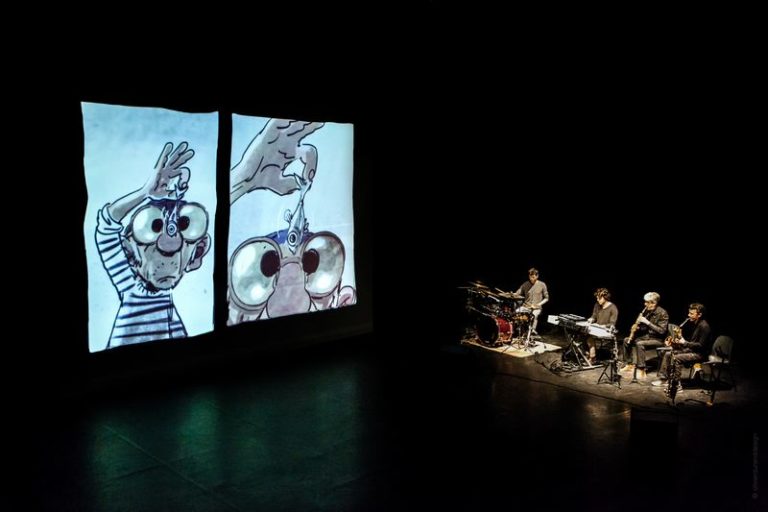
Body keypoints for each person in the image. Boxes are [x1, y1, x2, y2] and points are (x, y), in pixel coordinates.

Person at [96, 142, 211, 349]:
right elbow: (106, 226)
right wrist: (144, 193)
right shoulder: (131, 288)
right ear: (129, 253)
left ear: (197, 254)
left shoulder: (168, 307)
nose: (168, 258)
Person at [652, 303, 712, 387]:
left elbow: (701, 345)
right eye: (689, 313)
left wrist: (684, 343)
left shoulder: (704, 326)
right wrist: (677, 342)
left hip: (700, 354)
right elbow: (692, 342)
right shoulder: (696, 324)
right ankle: (664, 379)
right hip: (693, 350)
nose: (688, 315)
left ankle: (676, 384)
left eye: (691, 314)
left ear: (699, 315)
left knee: (676, 358)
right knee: (668, 353)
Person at [622, 291, 669, 378]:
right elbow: (645, 328)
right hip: (647, 337)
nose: (645, 304)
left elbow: (662, 331)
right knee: (626, 340)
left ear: (654, 303)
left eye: (647, 302)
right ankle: (629, 364)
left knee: (640, 344)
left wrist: (647, 322)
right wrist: (638, 328)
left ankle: (641, 369)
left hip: (658, 339)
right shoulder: (647, 311)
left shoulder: (662, 313)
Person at [585, 288, 619, 363]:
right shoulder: (597, 305)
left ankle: (592, 356)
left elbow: (612, 323)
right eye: (597, 298)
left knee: (589, 336)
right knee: (582, 332)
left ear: (605, 297)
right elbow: (594, 316)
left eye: (599, 298)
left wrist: (604, 326)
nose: (597, 300)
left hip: (606, 330)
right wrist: (591, 319)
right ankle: (587, 353)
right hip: (597, 328)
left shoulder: (613, 308)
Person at [514, 268, 549, 335]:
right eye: (530, 277)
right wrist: (511, 294)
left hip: (537, 308)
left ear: (537, 276)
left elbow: (546, 298)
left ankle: (532, 331)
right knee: (516, 312)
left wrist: (538, 304)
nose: (531, 279)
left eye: (533, 277)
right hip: (526, 306)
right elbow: (518, 293)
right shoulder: (525, 284)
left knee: (534, 315)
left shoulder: (542, 284)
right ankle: (518, 330)